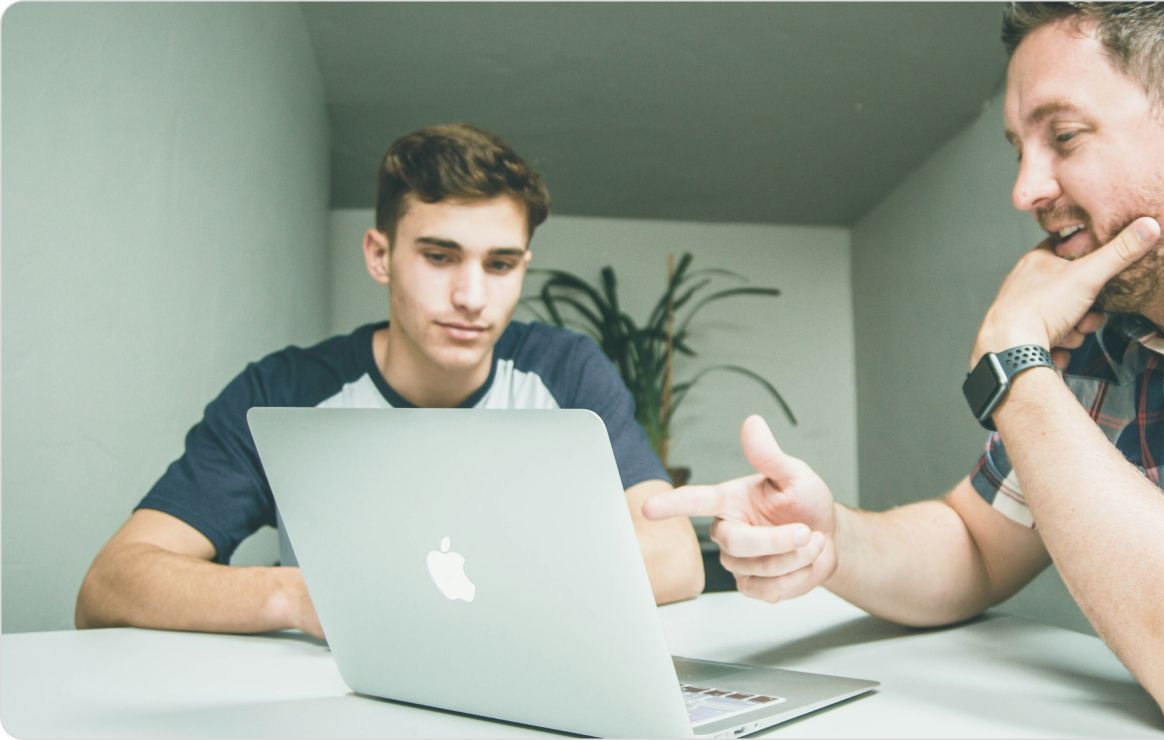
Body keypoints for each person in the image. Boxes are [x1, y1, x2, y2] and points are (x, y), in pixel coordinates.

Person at [645, 3, 1164, 734]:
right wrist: (833, 539)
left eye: (1064, 137)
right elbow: (975, 542)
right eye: (1021, 149)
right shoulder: (1122, 302)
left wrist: (1015, 363)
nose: (1026, 189)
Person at [76, 123, 704, 639]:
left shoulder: (565, 371)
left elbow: (676, 559)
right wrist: (301, 597)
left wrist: (451, 587)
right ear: (380, 255)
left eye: (501, 264)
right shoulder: (285, 390)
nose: (471, 296)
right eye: (439, 256)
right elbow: (112, 583)